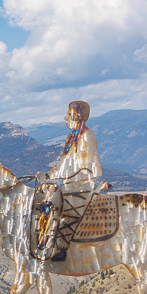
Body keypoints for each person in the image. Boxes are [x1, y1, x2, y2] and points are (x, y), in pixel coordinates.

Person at [35, 100, 102, 261]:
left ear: (78, 116)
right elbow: (63, 165)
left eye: (69, 114)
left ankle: (62, 247)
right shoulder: (71, 137)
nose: (65, 118)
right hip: (70, 185)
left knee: (60, 211)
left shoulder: (87, 136)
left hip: (80, 186)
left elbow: (87, 166)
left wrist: (72, 177)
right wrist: (47, 176)